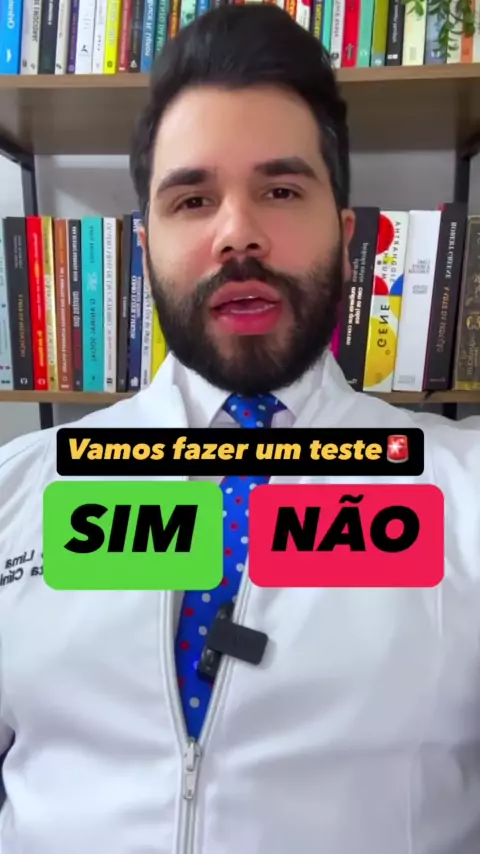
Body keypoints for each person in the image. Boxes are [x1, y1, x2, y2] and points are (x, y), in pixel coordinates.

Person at [0, 5, 479, 853]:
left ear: (344, 236)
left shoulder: (464, 494)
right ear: (146, 245)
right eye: (193, 199)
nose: (238, 235)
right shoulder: (19, 490)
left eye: (281, 191)